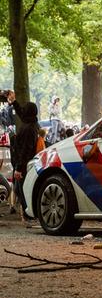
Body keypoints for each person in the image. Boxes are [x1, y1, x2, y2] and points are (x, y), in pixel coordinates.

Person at [8, 92, 39, 220]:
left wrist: (19, 168)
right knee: (18, 188)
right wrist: (14, 101)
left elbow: (25, 150)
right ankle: (27, 213)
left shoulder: (28, 129)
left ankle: (28, 213)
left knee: (22, 190)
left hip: (23, 165)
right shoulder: (31, 124)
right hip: (22, 163)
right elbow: (21, 113)